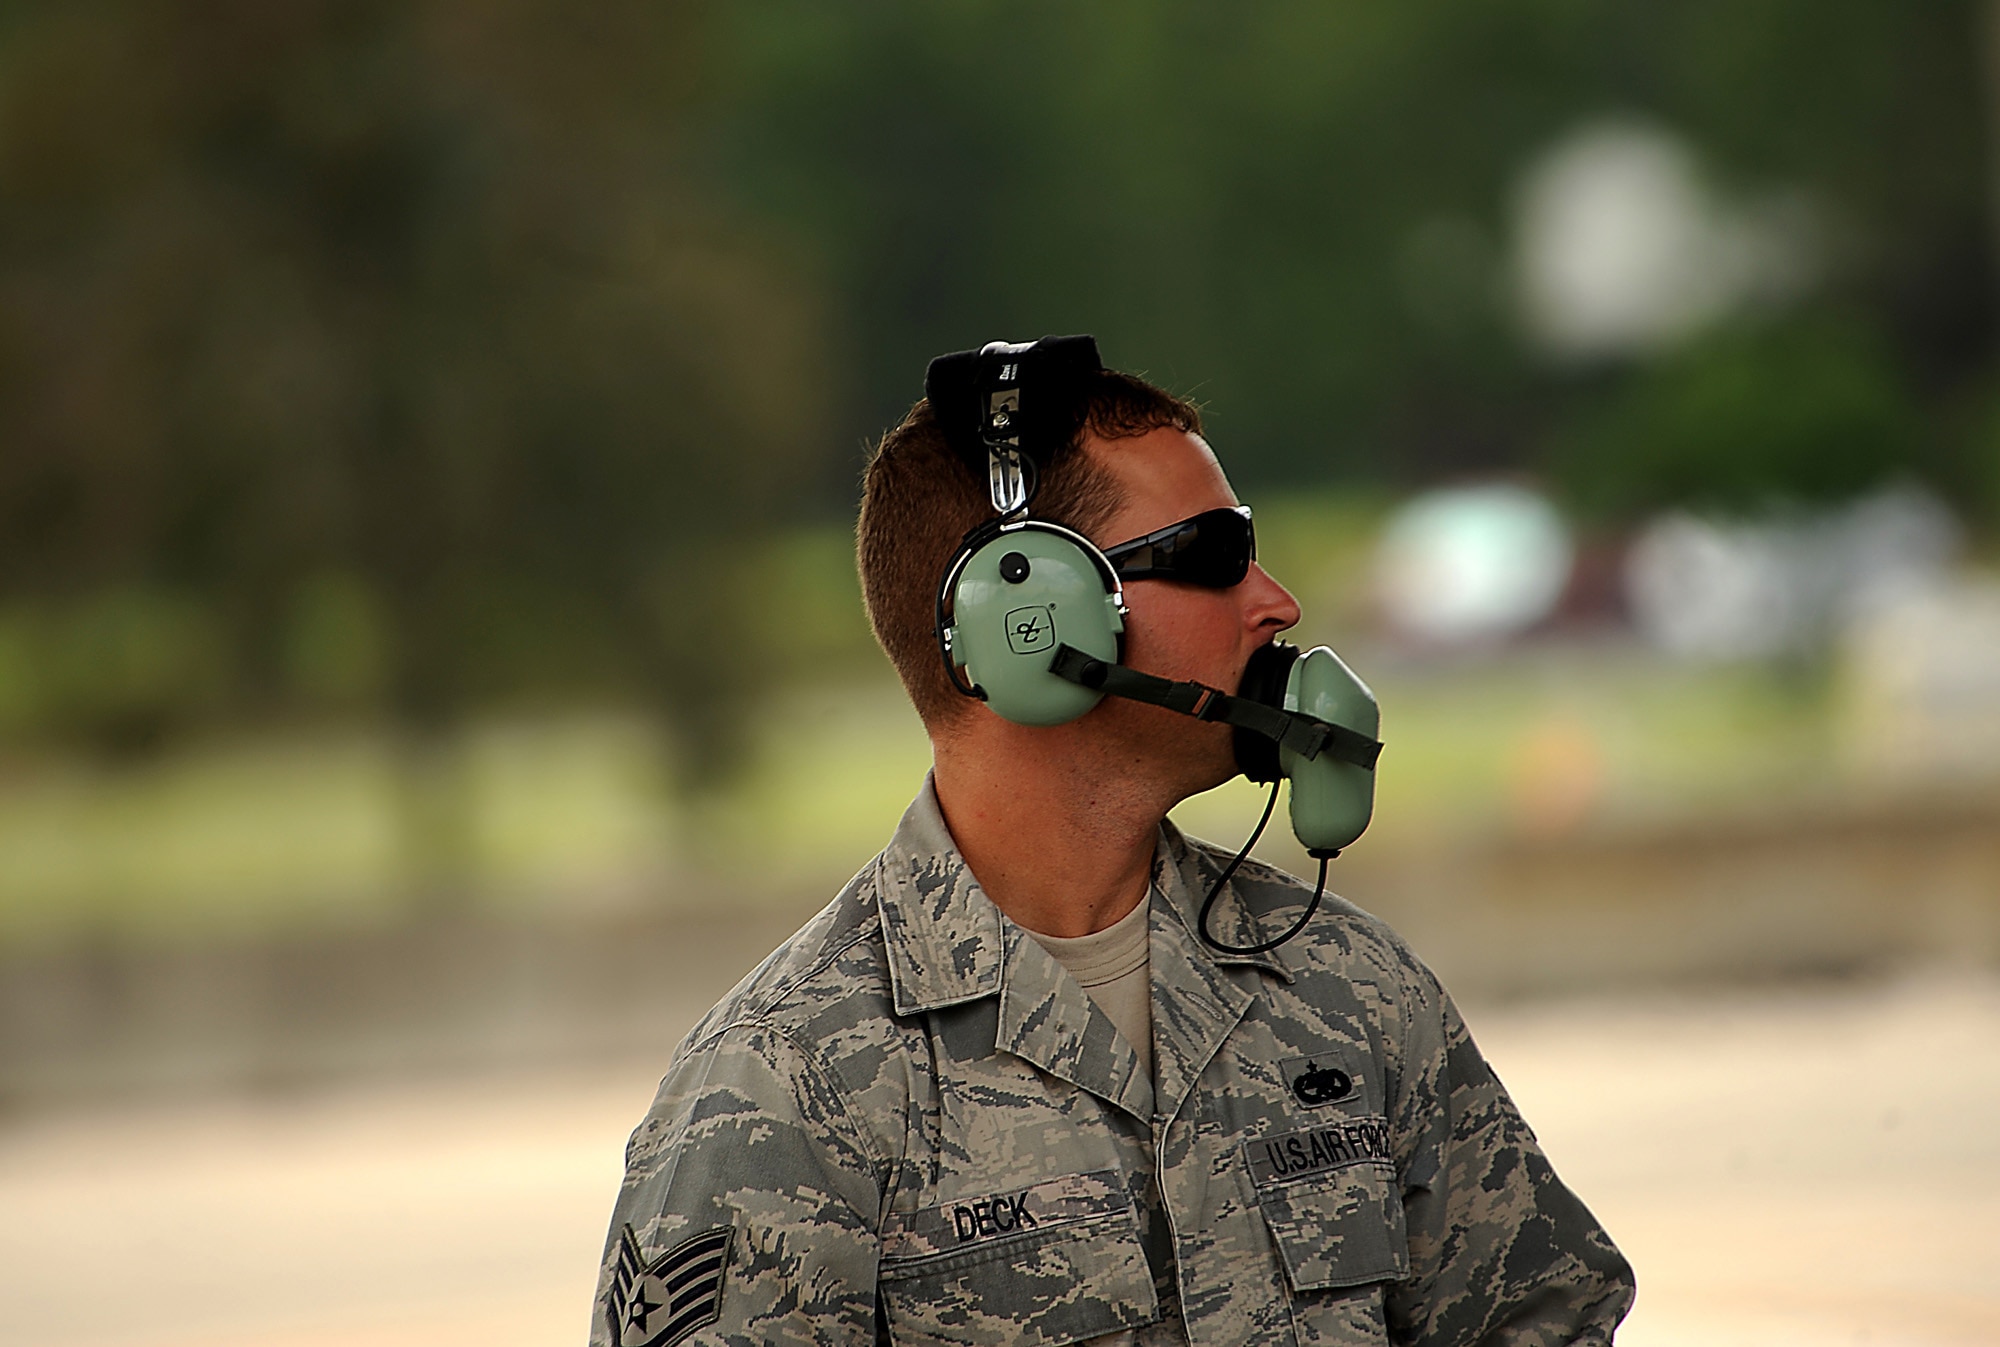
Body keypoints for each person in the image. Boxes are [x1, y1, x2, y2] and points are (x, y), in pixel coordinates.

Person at [591, 348, 1635, 1346]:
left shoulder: (1350, 993)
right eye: (1215, 556)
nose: (1275, 603)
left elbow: (1541, 1319)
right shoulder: (785, 1085)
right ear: (1032, 624)